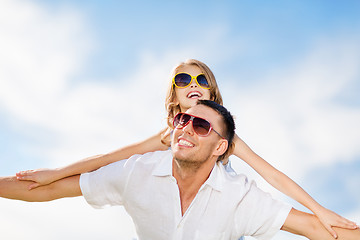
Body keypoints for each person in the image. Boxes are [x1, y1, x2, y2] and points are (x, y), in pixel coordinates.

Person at [16, 59, 357, 238]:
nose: (192, 85)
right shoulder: (168, 136)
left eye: (200, 80)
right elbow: (111, 157)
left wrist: (319, 209)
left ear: (212, 92)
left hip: (223, 215)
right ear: (174, 96)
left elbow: (271, 174)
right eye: (183, 80)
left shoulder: (229, 140)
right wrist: (56, 173)